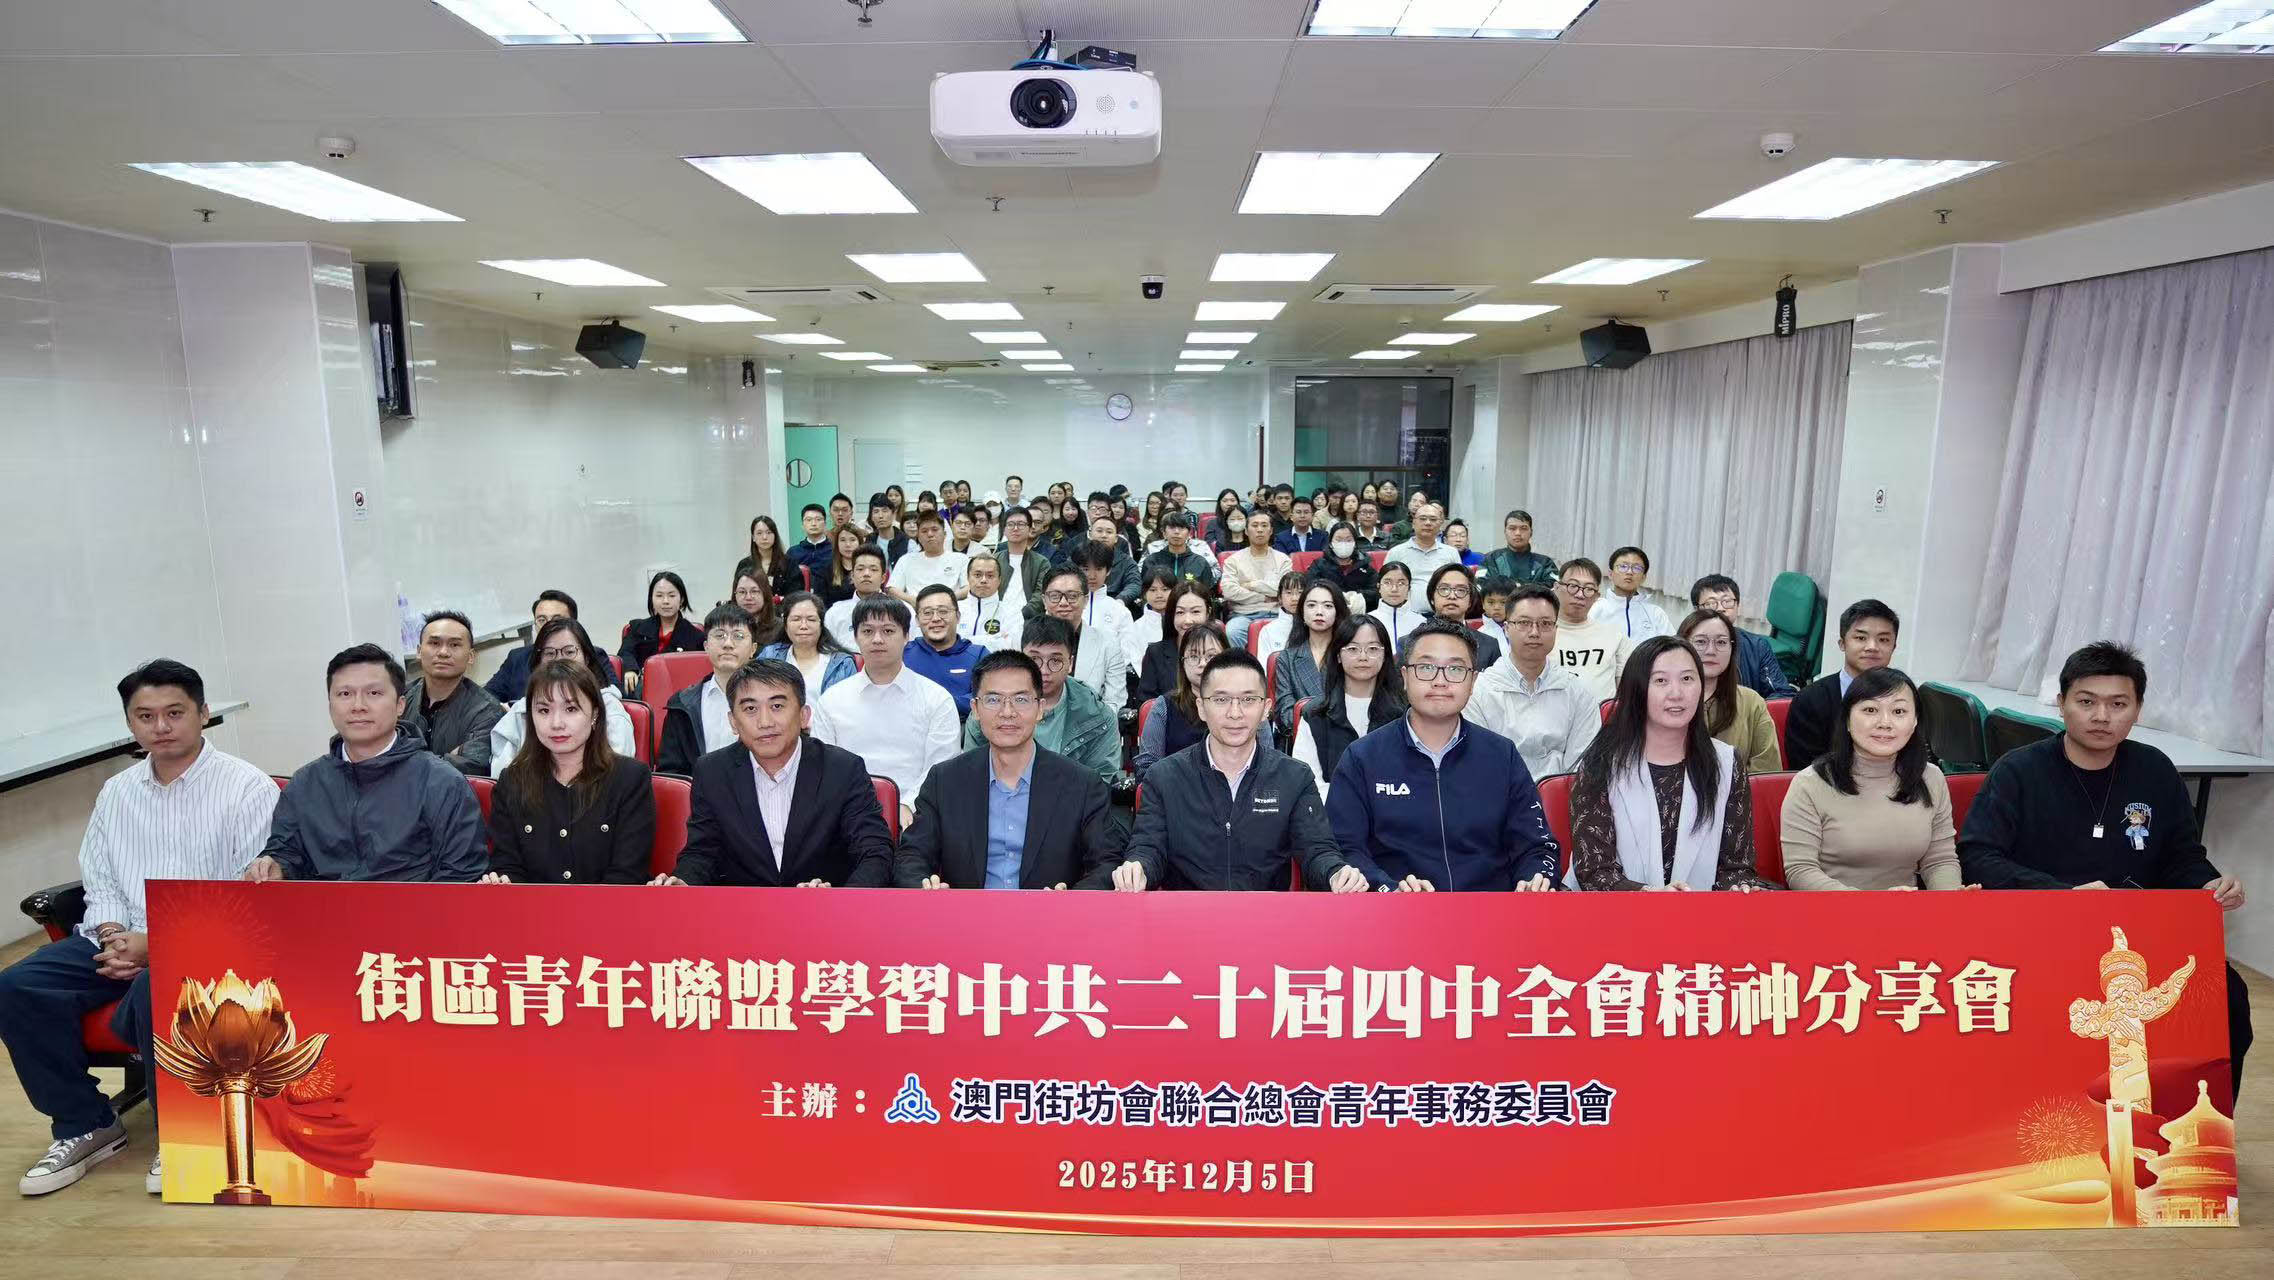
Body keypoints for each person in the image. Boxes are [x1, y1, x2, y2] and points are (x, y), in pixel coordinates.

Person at [2, 660, 275, 1198]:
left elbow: (246, 898)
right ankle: (85, 1124)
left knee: (160, 985)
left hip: (208, 947)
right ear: (130, 723)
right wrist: (113, 938)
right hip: (119, 937)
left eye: (175, 713)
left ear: (203, 713)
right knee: (18, 986)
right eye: (145, 716)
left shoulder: (247, 788)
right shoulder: (117, 792)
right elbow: (99, 878)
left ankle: (183, 1133)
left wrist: (159, 946)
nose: (161, 727)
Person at [1960, 642, 2252, 1090]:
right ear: (2061, 703)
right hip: (2042, 931)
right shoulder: (2018, 771)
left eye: (2118, 704)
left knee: (2227, 999)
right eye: (2086, 702)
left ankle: (2195, 1123)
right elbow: (1978, 857)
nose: (2101, 717)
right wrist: (2061, 895)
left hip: (2137, 938)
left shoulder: (2155, 770)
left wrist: (2209, 883)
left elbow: (2181, 857)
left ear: (2137, 709)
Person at [1326, 619, 1563, 891]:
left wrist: (1534, 879)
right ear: (1405, 677)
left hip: (1489, 909)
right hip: (1396, 909)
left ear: (1473, 681)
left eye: (1455, 669)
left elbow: (1536, 845)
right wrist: (1388, 889)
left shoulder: (1502, 755)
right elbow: (1345, 848)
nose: (1440, 681)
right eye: (1426, 667)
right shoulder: (1362, 757)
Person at [1111, 651, 1362, 893]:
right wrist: (1138, 868)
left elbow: (1317, 851)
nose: (1235, 713)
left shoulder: (1295, 777)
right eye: (1221, 700)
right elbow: (1147, 848)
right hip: (1187, 914)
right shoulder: (1164, 777)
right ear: (1201, 707)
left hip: (1266, 914)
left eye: (1248, 700)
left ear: (1266, 709)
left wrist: (1336, 873)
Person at [246, 644, 484, 883]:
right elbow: (286, 852)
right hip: (323, 906)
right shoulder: (306, 783)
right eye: (345, 694)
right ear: (330, 706)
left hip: (413, 906)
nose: (358, 706)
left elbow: (460, 876)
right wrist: (277, 866)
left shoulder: (441, 783)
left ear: (400, 705)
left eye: (374, 693)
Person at [654, 659, 893, 888]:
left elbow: (874, 852)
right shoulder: (712, 772)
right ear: (733, 722)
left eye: (777, 706)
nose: (765, 722)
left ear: (803, 715)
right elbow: (702, 853)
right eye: (750, 709)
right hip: (744, 910)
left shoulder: (843, 769)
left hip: (825, 910)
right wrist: (684, 882)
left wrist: (843, 899)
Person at [895, 651, 1123, 891]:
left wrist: (1070, 901)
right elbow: (910, 857)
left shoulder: (1082, 784)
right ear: (975, 709)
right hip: (964, 913)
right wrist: (926, 889)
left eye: (1021, 699)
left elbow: (1107, 862)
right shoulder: (944, 781)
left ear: (1040, 708)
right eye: (993, 700)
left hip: (1051, 913)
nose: (1007, 712)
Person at [1565, 637, 1774, 892]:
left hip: (1701, 910)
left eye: (1687, 679)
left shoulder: (1726, 762)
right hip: (1615, 911)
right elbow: (1595, 872)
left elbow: (1736, 867)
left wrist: (1739, 888)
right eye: (1661, 681)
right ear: (1637, 690)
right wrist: (1654, 897)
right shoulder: (1602, 762)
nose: (1676, 693)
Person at [1781, 667, 1958, 892]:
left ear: (1915, 721)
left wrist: (1951, 899)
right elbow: (1801, 871)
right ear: (1847, 720)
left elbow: (1940, 861)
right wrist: (1871, 904)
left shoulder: (1931, 778)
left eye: (1899, 711)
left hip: (1907, 909)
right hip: (1832, 909)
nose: (1885, 722)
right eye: (1870, 710)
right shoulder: (1809, 784)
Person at [484, 659, 655, 886]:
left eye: (571, 709)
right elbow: (507, 865)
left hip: (611, 906)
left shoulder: (630, 779)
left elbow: (627, 874)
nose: (556, 723)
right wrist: (501, 882)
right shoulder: (512, 782)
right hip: (532, 908)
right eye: (544, 710)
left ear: (595, 714)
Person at [809, 599, 960, 830]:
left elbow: (942, 767)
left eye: (888, 631)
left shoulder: (936, 698)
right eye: (867, 631)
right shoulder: (832, 700)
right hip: (848, 817)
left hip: (919, 815)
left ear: (907, 635)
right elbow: (823, 769)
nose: (877, 639)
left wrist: (908, 805)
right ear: (855, 637)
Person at [961, 617, 1121, 787]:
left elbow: (1099, 786)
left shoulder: (1098, 716)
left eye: (1055, 661)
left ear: (1070, 663)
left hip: (1070, 801)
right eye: (1034, 659)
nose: (1044, 670)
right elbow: (972, 776)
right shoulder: (988, 708)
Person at [1465, 585, 1599, 779]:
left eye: (1545, 623)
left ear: (1556, 629)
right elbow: (1478, 763)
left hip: (1563, 794)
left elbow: (1582, 763)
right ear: (1506, 629)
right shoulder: (1478, 691)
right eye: (1524, 623)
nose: (1535, 632)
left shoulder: (1577, 691)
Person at [491, 616, 641, 773]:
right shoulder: (521, 709)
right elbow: (501, 774)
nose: (559, 660)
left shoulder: (610, 710)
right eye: (550, 653)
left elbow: (619, 775)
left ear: (587, 658)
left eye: (569, 652)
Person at [1290, 615, 1403, 801]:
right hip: (1332, 812)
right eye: (1352, 649)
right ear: (1338, 656)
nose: (1363, 657)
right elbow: (1308, 782)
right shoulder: (1315, 714)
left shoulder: (1403, 714)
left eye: (1373, 649)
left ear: (1385, 656)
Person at [1783, 599, 1901, 768]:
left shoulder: (1904, 701)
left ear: (1894, 647)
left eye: (1883, 640)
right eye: (1861, 638)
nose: (1872, 647)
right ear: (1842, 644)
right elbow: (1806, 770)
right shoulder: (1810, 700)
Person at [1676, 608, 1783, 775]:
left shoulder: (1751, 702)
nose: (1711, 651)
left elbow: (1767, 771)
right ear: (1682, 645)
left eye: (1721, 642)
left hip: (1738, 791)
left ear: (1732, 648)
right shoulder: (1665, 699)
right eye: (1701, 641)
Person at [657, 604, 761, 776]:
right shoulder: (683, 703)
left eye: (738, 636)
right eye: (719, 635)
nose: (728, 644)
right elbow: (671, 771)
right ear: (706, 646)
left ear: (753, 649)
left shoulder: (771, 702)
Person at [403, 610, 506, 776]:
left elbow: (472, 766)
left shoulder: (487, 710)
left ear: (471, 656)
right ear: (419, 651)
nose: (443, 652)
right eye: (434, 643)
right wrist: (449, 758)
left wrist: (405, 761)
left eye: (454, 645)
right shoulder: (399, 698)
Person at [1133, 622, 1231, 782]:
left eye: (1211, 656)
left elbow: (1267, 764)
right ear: (1182, 662)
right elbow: (1147, 767)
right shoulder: (1164, 706)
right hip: (1177, 790)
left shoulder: (1246, 704)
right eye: (1194, 656)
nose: (1202, 663)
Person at [1032, 559, 1128, 711]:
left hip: (1090, 722)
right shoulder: (1021, 639)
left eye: (1072, 596)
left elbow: (1114, 701)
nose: (1063, 603)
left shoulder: (1108, 643)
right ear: (1044, 600)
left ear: (1085, 600)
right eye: (1055, 596)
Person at [1689, 574, 1793, 699]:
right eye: (1711, 603)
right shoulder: (1683, 646)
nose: (1721, 608)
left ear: (1738, 606)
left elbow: (1782, 694)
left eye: (1727, 602)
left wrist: (1754, 708)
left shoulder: (1757, 646)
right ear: (1696, 610)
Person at [1271, 581, 1349, 740]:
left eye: (1328, 606)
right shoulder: (1286, 659)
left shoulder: (1349, 654)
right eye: (1312, 605)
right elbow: (1286, 714)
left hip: (1348, 738)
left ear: (1338, 612)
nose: (1319, 612)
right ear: (1302, 612)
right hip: (1302, 741)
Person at [1550, 558, 1632, 701]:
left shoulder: (1614, 636)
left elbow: (1626, 692)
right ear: (1557, 588)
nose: (1580, 594)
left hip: (1602, 714)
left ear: (1596, 596)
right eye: (1573, 586)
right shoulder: (1539, 634)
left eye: (1589, 589)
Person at [484, 589, 581, 704]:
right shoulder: (517, 658)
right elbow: (487, 698)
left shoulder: (592, 655)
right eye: (541, 620)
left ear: (573, 623)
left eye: (557, 620)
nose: (548, 625)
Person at [904, 584, 985, 717]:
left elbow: (987, 698)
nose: (936, 618)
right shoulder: (902, 654)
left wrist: (937, 704)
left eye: (943, 611)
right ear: (917, 620)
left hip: (962, 726)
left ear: (958, 616)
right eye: (927, 613)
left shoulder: (979, 655)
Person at [758, 591, 857, 699]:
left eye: (811, 619)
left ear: (821, 625)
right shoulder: (770, 655)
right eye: (796, 619)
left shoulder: (842, 664)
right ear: (785, 625)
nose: (803, 626)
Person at [617, 570, 704, 684]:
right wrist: (630, 670)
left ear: (682, 599)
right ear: (651, 599)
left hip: (680, 689)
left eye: (671, 595)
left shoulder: (696, 636)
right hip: (641, 686)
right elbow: (625, 652)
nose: (665, 601)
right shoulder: (637, 628)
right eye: (659, 596)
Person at [1135, 581, 1212, 703]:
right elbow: (1147, 704)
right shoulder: (1155, 653)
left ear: (1208, 613)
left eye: (1195, 612)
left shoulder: (1221, 652)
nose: (1188, 620)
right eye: (1180, 612)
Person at [1424, 564, 1502, 668]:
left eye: (1461, 590)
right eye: (1444, 589)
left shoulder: (1489, 646)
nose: (1452, 596)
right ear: (1432, 598)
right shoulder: (1410, 642)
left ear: (1470, 600)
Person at [1589, 545, 1673, 642]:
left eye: (1637, 568)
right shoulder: (1595, 608)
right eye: (1623, 566)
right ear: (1610, 574)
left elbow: (1671, 646)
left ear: (1643, 577)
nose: (1629, 572)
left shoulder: (1655, 613)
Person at [822, 545, 895, 650]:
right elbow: (827, 651)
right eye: (860, 569)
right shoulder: (835, 613)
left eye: (873, 569)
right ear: (852, 576)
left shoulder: (900, 610)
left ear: (883, 578)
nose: (866, 574)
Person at [888, 509, 966, 604]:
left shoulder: (961, 559)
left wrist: (947, 600)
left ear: (945, 534)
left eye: (935, 530)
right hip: (915, 607)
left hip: (950, 607)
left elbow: (968, 588)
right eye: (924, 531)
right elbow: (892, 589)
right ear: (918, 537)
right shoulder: (906, 560)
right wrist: (915, 602)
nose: (930, 534)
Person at [995, 507, 1054, 619]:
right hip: (995, 617)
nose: (1015, 528)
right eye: (1010, 524)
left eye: (1021, 524)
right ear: (1004, 530)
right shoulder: (994, 560)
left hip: (1029, 619)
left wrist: (1022, 615)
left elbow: (1041, 594)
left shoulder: (1041, 562)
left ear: (1030, 528)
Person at [958, 551, 1022, 651]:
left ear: (999, 580)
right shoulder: (954, 609)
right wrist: (993, 640)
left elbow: (1012, 648)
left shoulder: (1012, 612)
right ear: (968, 578)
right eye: (977, 575)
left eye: (990, 576)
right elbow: (945, 643)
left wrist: (964, 641)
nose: (983, 580)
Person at [1308, 519, 1379, 611]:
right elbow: (1311, 588)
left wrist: (1354, 596)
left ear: (1355, 543)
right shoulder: (1319, 565)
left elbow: (1375, 592)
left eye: (1348, 540)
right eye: (1338, 540)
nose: (1344, 544)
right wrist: (1336, 596)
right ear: (1330, 543)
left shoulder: (1365, 565)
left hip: (1359, 613)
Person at [1139, 510, 1217, 592]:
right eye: (1172, 527)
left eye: (1181, 528)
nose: (1176, 532)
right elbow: (1146, 592)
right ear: (1164, 533)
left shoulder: (1200, 563)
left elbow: (1205, 593)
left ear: (1189, 534)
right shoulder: (1152, 561)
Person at [1480, 510, 1558, 589]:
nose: (1518, 533)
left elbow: (1555, 586)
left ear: (1531, 533)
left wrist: (1518, 586)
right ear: (1505, 532)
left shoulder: (1545, 563)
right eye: (1512, 528)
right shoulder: (1491, 559)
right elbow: (1480, 584)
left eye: (1523, 528)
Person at [1384, 501, 1459, 581]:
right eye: (1422, 519)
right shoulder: (1396, 553)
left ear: (1440, 524)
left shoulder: (1452, 553)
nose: (1428, 523)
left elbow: (1459, 582)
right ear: (1413, 523)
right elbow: (1386, 584)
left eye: (1433, 519)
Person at [740, 514, 805, 600]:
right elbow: (739, 594)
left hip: (783, 607)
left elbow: (797, 595)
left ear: (775, 536)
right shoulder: (745, 565)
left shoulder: (789, 563)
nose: (764, 537)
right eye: (759, 533)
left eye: (769, 532)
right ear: (753, 538)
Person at [1367, 560, 1426, 654]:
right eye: (1387, 583)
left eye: (1401, 583)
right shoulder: (1368, 621)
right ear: (1379, 586)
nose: (1394, 589)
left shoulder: (1421, 623)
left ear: (1409, 588)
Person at [1080, 515, 1143, 602]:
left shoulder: (1126, 561)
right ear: (1090, 535)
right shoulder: (1078, 556)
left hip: (1116, 600)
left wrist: (1120, 600)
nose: (1104, 535)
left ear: (1116, 538)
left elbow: (1134, 584)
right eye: (1099, 531)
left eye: (1109, 532)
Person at [729, 564, 781, 647]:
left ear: (765, 594)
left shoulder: (780, 629)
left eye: (754, 591)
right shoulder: (726, 625)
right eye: (742, 592)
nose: (748, 597)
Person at [817, 523, 868, 608]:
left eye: (852, 540)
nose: (848, 544)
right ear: (837, 544)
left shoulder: (868, 568)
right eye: (843, 540)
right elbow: (820, 602)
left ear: (860, 542)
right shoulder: (825, 568)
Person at [786, 502, 834, 579]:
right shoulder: (793, 552)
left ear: (825, 523)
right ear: (802, 525)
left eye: (818, 519)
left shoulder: (835, 550)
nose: (813, 524)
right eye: (808, 520)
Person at [866, 494, 912, 566]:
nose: (880, 516)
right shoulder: (869, 541)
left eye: (885, 511)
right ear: (871, 517)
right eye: (876, 511)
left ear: (893, 514)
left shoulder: (908, 543)